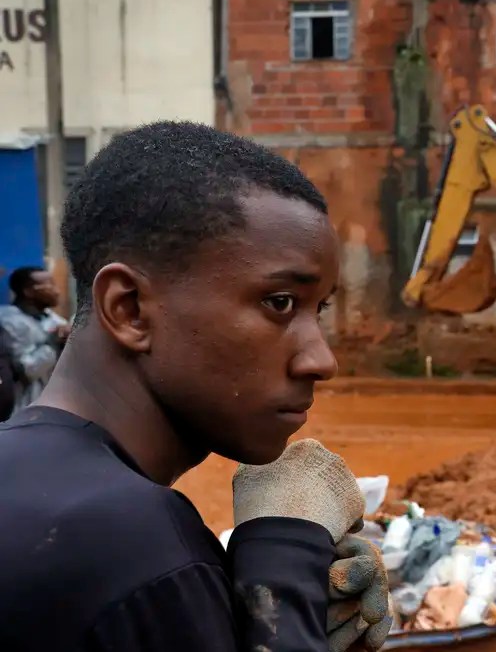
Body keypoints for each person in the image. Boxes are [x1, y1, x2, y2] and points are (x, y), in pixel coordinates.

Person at [0, 121, 391, 651]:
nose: (322, 360)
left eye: (316, 310)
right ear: (130, 309)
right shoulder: (139, 546)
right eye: (279, 303)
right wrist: (283, 564)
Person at [0, 265, 71, 412]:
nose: (56, 291)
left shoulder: (56, 321)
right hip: (21, 410)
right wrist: (52, 343)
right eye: (48, 284)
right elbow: (27, 371)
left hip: (55, 408)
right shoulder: (8, 321)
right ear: (28, 292)